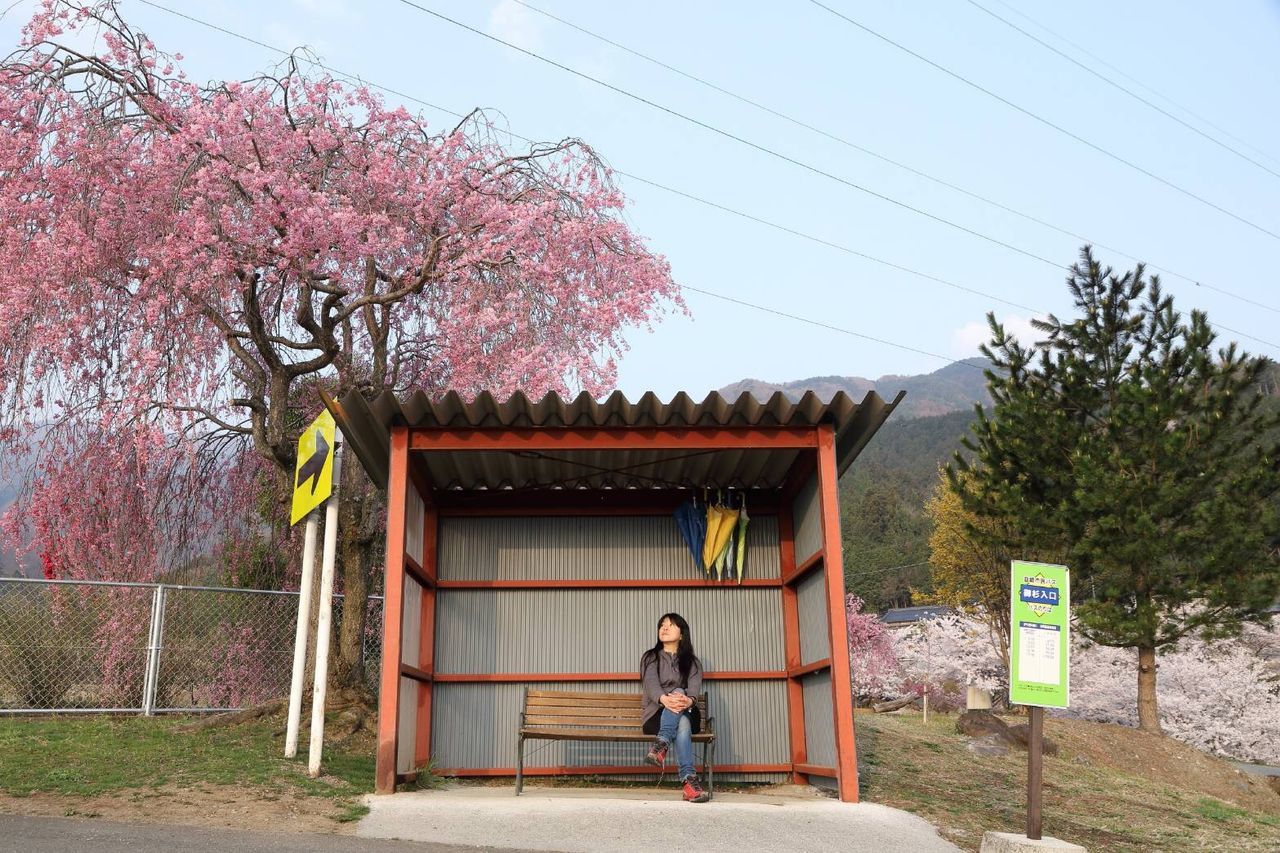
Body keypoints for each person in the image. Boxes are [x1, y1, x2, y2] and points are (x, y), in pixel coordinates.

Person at [640, 612, 710, 803]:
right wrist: (664, 699)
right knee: (683, 724)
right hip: (655, 716)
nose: (664, 628)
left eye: (670, 625)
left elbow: (693, 688)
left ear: (682, 634)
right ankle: (689, 782)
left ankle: (661, 745)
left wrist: (688, 700)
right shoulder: (650, 658)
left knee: (680, 695)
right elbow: (651, 684)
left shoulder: (693, 662)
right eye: (662, 624)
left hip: (686, 709)